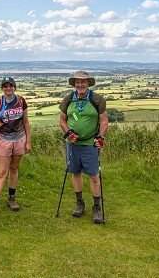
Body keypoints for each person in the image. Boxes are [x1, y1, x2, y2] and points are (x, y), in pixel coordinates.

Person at [58, 70, 108, 224]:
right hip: (72, 144)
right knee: (75, 173)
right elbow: (62, 119)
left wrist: (101, 137)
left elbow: (104, 121)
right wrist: (68, 133)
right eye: (77, 82)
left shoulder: (97, 99)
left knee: (94, 176)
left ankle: (97, 208)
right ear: (74, 84)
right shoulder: (68, 99)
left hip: (90, 143)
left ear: (88, 83)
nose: (80, 84)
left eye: (83, 82)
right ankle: (80, 204)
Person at [0, 76, 32, 222]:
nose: (8, 88)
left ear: (14, 87)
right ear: (2, 88)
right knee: (2, 173)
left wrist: (28, 141)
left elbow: (26, 122)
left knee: (14, 169)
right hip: (4, 140)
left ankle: (11, 198)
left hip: (19, 139)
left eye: (10, 85)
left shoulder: (21, 101)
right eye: (5, 86)